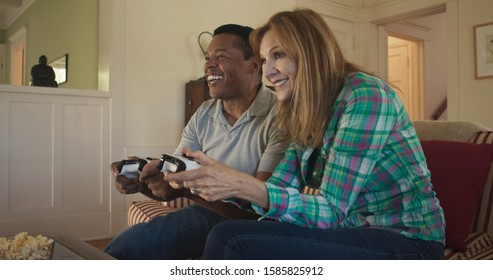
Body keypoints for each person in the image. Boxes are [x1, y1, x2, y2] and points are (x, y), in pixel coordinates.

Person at [164, 9, 446, 260]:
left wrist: (240, 183)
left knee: (230, 238)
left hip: (409, 241)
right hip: (351, 230)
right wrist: (215, 182)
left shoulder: (365, 96)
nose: (268, 72)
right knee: (231, 231)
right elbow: (280, 187)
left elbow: (332, 210)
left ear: (310, 51)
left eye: (278, 55)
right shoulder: (303, 110)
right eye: (264, 59)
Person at [103, 24, 289, 259]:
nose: (209, 65)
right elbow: (173, 183)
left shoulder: (279, 116)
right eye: (207, 58)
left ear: (254, 64)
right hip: (204, 212)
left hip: (246, 226)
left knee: (132, 247)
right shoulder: (204, 113)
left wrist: (192, 191)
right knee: (125, 246)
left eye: (220, 57)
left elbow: (262, 212)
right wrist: (142, 181)